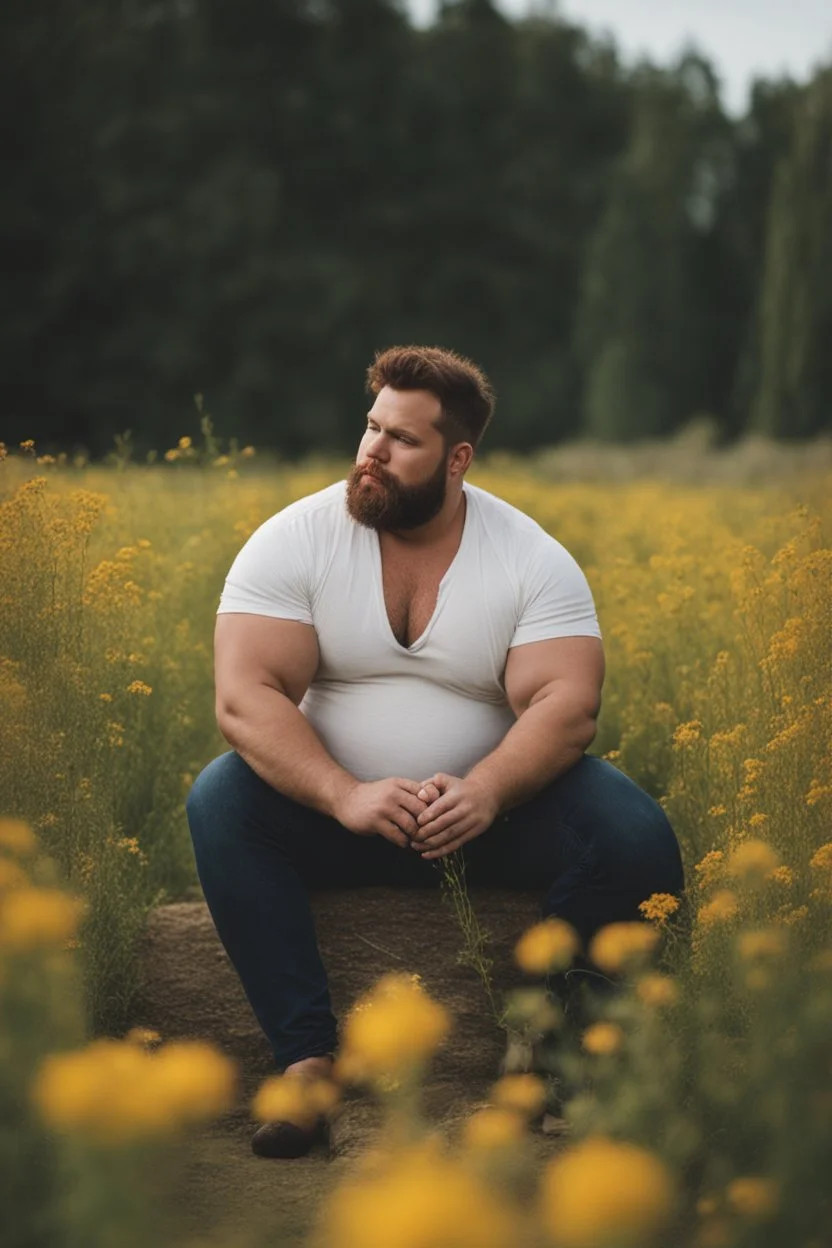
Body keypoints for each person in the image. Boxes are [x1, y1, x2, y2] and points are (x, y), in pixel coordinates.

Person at [186, 344, 684, 1158]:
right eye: (370, 428)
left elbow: (566, 707)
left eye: (401, 440)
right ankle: (307, 1065)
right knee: (220, 799)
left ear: (458, 458)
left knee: (631, 835)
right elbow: (246, 698)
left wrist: (487, 791)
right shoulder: (294, 540)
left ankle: (552, 1064)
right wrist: (344, 793)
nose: (372, 452)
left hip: (490, 820)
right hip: (337, 820)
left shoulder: (530, 558)